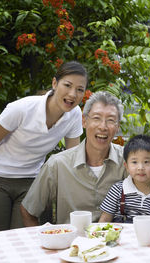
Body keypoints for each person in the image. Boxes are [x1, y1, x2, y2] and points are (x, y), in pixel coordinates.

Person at [0, 61, 87, 233]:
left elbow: (72, 158)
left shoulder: (74, 114)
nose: (72, 94)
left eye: (80, 89)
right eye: (67, 85)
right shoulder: (22, 108)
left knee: (25, 237)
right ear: (55, 83)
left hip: (32, 182)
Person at [20, 91, 128, 225]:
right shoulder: (58, 164)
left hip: (115, 243)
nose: (103, 126)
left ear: (117, 127)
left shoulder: (129, 162)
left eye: (111, 120)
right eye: (96, 118)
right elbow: (28, 211)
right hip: (71, 243)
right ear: (84, 121)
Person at [99, 134, 150, 226]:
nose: (140, 168)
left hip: (148, 238)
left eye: (146, 162)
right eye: (134, 162)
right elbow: (104, 219)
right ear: (126, 166)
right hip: (120, 237)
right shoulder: (118, 189)